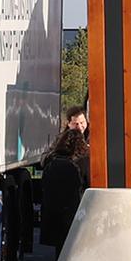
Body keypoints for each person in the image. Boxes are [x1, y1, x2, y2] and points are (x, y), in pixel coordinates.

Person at [40, 105, 89, 248]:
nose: (79, 127)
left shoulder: (94, 135)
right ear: (68, 123)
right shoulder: (61, 140)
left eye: (82, 123)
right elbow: (45, 158)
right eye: (75, 124)